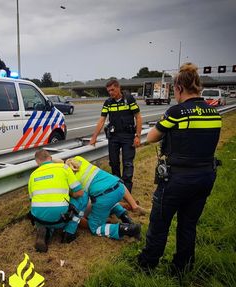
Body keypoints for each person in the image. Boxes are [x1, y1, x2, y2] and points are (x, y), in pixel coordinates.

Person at [137, 63, 222, 274]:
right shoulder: (214, 113)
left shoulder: (177, 112)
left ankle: (147, 265)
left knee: (159, 223)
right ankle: (182, 268)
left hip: (178, 179)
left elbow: (151, 137)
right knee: (188, 224)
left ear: (179, 88)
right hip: (205, 177)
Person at [65, 156, 143, 240]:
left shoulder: (71, 179)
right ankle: (126, 218)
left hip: (105, 196)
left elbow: (80, 199)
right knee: (109, 201)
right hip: (119, 187)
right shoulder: (79, 159)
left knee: (94, 227)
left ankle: (128, 229)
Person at [28, 150, 88, 253]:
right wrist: (69, 194)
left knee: (46, 212)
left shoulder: (33, 175)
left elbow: (31, 199)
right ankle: (69, 233)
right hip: (61, 218)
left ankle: (46, 231)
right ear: (51, 158)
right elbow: (79, 192)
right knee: (84, 196)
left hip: (39, 218)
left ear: (37, 163)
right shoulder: (63, 168)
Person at [90, 79, 142, 192]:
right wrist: (94, 137)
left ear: (119, 88)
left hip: (128, 136)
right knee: (114, 163)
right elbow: (101, 120)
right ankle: (117, 189)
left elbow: (138, 117)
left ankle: (127, 191)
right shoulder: (108, 102)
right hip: (113, 137)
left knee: (127, 163)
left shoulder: (129, 100)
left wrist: (138, 136)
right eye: (108, 91)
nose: (110, 92)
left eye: (112, 90)